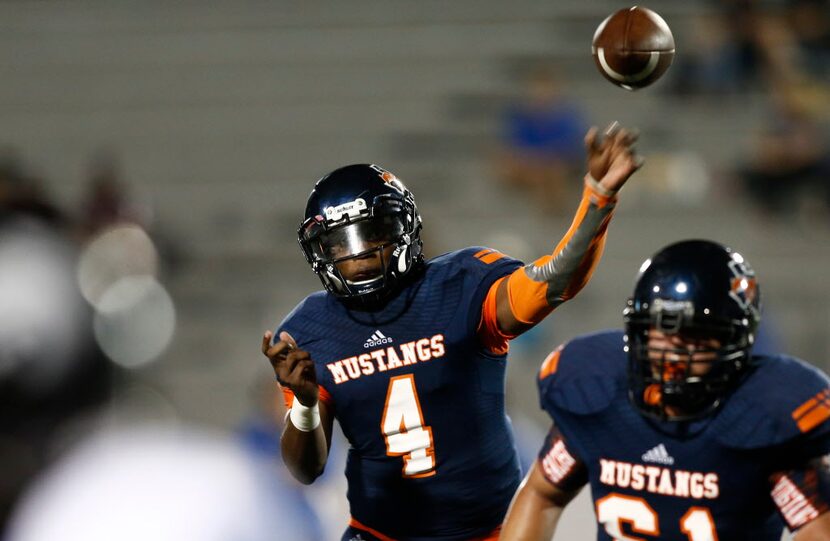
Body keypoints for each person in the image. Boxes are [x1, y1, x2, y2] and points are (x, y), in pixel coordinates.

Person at [261, 122, 642, 540]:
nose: (360, 256)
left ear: (402, 227)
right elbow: (305, 469)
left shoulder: (464, 284)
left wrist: (597, 198)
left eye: (372, 234)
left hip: (488, 531)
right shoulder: (308, 330)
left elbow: (554, 281)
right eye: (340, 244)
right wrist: (304, 403)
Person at [500, 239, 830, 540]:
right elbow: (542, 493)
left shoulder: (763, 417)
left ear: (733, 343)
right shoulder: (600, 396)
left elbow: (818, 530)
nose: (673, 352)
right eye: (660, 332)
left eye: (694, 336)